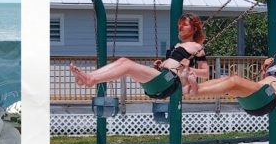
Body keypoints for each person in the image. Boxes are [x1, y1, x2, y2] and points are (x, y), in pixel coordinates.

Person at [69, 13, 209, 98]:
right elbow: (171, 65)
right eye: (179, 24)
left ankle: (91, 79)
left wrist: (187, 69)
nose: (180, 27)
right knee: (123, 61)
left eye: (184, 25)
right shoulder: (176, 46)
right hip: (162, 78)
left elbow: (206, 73)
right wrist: (160, 66)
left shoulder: (197, 47)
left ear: (194, 28)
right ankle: (89, 77)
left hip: (169, 82)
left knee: (128, 65)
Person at [188, 28, 276, 115]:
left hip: (268, 98)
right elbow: (265, 81)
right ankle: (192, 88)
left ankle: (196, 91)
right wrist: (265, 69)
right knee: (226, 79)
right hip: (258, 95)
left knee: (234, 80)